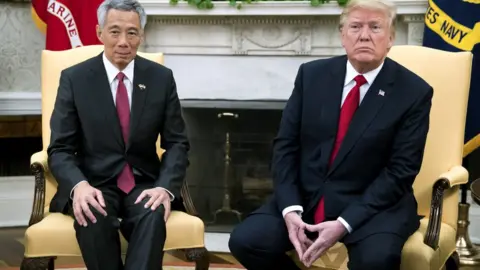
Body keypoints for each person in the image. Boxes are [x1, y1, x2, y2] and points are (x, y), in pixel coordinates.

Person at [228, 0, 433, 269]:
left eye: (375, 27)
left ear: (391, 38)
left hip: (372, 207)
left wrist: (344, 223)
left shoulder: (413, 92)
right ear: (342, 35)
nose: (364, 35)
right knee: (246, 241)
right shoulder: (311, 75)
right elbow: (285, 146)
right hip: (307, 199)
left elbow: (400, 171)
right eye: (356, 26)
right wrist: (290, 209)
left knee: (377, 261)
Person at [47, 0, 189, 269]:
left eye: (132, 33)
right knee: (90, 214)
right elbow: (60, 148)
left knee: (153, 213)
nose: (123, 41)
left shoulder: (161, 78)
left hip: (144, 184)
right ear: (99, 32)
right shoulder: (75, 79)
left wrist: (165, 187)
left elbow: (178, 143)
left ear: (141, 36)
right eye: (114, 31)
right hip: (94, 183)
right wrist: (79, 186)